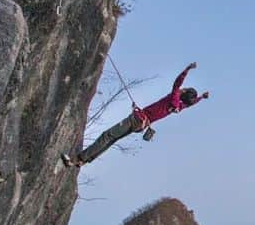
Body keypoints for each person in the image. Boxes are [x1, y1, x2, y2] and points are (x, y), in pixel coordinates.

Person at [63, 62, 209, 167]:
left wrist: (187, 69)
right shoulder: (178, 106)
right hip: (141, 124)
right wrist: (201, 97)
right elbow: (190, 104)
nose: (182, 88)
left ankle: (77, 159)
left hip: (137, 119)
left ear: (183, 93)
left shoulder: (175, 97)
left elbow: (177, 83)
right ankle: (84, 160)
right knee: (112, 139)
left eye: (185, 89)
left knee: (107, 135)